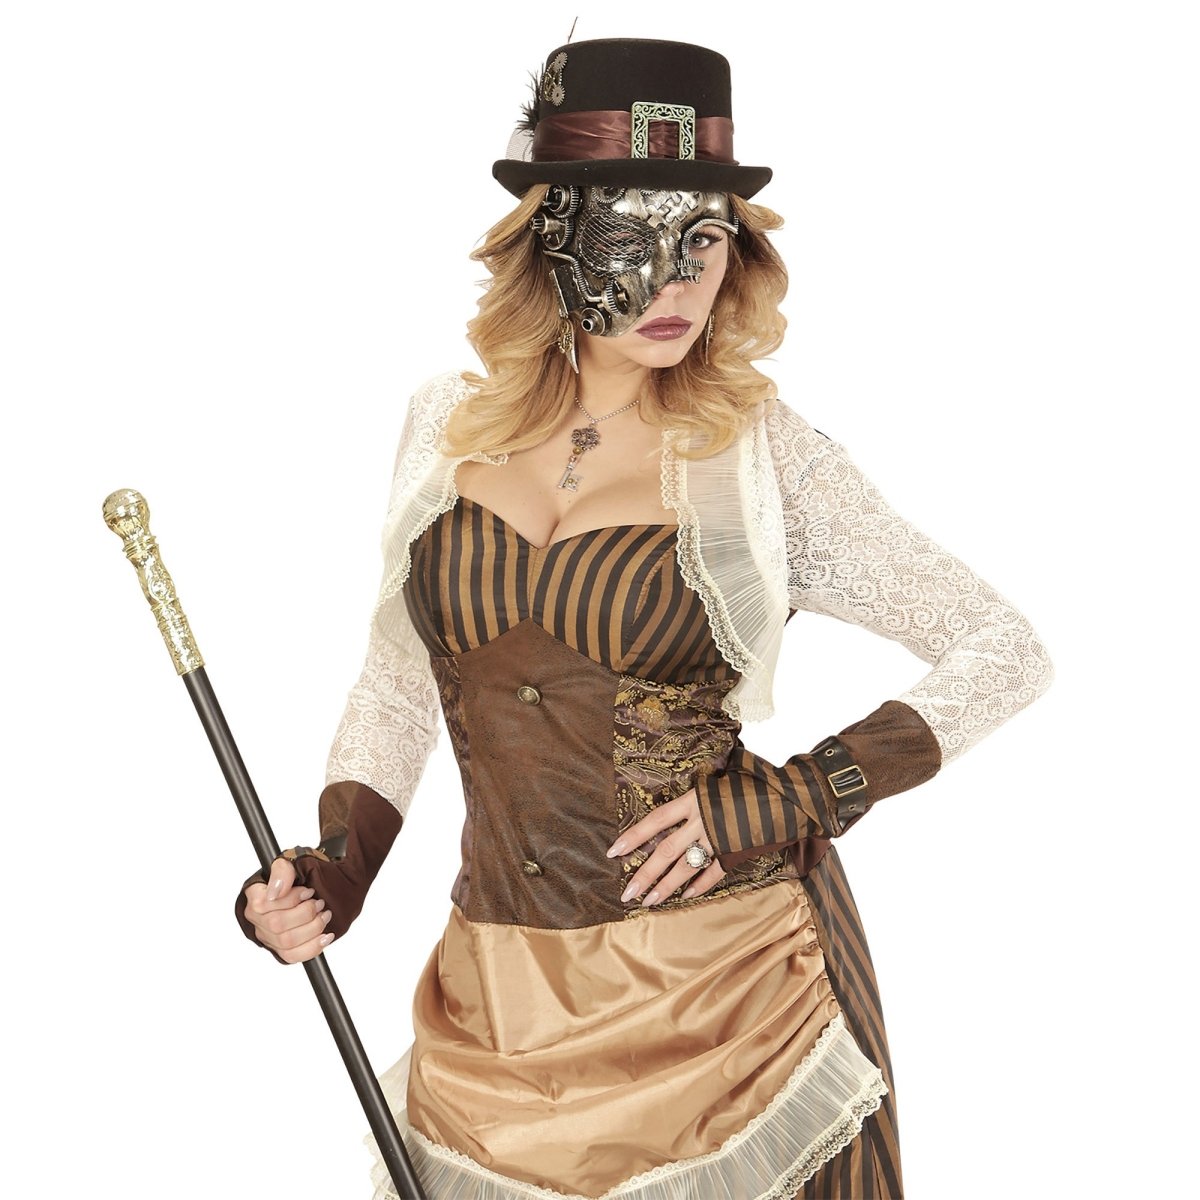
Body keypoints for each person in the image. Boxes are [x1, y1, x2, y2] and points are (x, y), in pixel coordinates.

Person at [235, 37, 1054, 1199]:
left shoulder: (763, 457)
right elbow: (399, 686)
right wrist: (336, 870)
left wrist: (802, 794)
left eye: (704, 240)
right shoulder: (442, 427)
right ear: (551, 241)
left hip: (731, 1008)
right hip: (500, 1016)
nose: (676, 285)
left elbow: (1003, 648)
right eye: (631, 240)